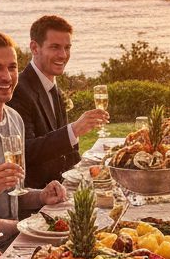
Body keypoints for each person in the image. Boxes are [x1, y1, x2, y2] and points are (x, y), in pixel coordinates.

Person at [0, 31, 67, 238]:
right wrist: (22, 226)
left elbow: (16, 194)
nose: (7, 77)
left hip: (14, 238)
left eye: (12, 67)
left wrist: (42, 196)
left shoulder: (15, 119)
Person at [10, 15, 109, 188]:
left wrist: (84, 177)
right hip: (39, 195)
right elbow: (27, 151)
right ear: (34, 47)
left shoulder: (52, 85)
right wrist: (74, 130)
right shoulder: (19, 90)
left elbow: (68, 152)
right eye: (55, 47)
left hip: (66, 185)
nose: (63, 55)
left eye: (67, 47)